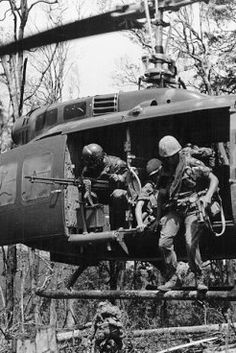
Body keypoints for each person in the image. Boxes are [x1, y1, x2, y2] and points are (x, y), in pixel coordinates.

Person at [157, 135, 219, 291]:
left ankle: (199, 277)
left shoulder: (191, 163)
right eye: (167, 158)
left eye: (171, 157)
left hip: (192, 208)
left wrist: (207, 197)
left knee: (190, 243)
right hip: (174, 209)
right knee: (164, 243)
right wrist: (158, 217)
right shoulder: (164, 170)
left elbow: (214, 179)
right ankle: (173, 278)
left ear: (177, 152)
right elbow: (161, 195)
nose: (170, 160)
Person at [81, 143, 128, 229]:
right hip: (101, 197)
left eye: (93, 163)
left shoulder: (117, 163)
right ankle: (95, 227)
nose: (92, 166)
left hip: (119, 196)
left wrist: (117, 177)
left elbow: (128, 180)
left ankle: (120, 227)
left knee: (117, 195)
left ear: (99, 159)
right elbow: (84, 181)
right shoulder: (88, 170)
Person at [135, 158, 162, 232]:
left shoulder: (170, 182)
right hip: (155, 216)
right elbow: (139, 206)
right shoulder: (149, 186)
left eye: (158, 174)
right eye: (154, 175)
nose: (157, 177)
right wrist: (140, 223)